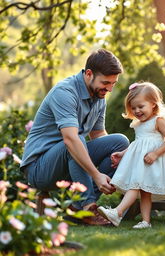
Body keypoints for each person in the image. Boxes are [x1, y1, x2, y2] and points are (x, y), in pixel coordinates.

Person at [20, 48, 129, 226]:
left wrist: (115, 162)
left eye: (113, 84)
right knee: (74, 141)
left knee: (119, 143)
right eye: (105, 82)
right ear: (88, 74)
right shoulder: (65, 92)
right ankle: (87, 206)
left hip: (70, 160)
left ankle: (76, 207)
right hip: (40, 169)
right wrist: (95, 174)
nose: (109, 89)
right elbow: (70, 139)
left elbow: (98, 135)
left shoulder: (99, 97)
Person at [98, 82, 165, 229]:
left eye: (140, 107)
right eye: (133, 107)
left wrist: (155, 153)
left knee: (136, 186)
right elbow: (137, 143)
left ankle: (117, 212)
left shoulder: (158, 121)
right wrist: (122, 154)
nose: (137, 111)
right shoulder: (138, 124)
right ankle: (146, 222)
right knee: (143, 192)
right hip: (142, 163)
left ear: (153, 104)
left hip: (153, 161)